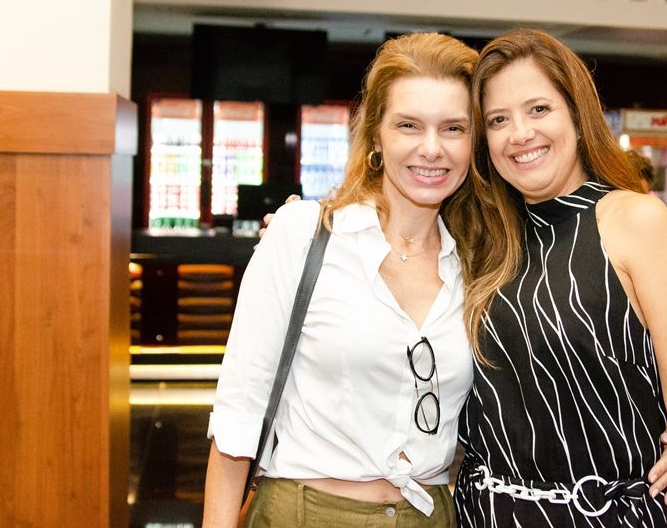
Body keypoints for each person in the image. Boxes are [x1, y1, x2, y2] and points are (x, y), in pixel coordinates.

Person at [453, 28, 667, 527]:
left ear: (578, 116)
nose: (519, 133)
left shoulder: (636, 222)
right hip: (487, 514)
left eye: (538, 109)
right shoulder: (483, 236)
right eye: (499, 119)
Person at [202, 32, 483, 527]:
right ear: (376, 135)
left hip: (432, 515)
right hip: (306, 513)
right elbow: (238, 418)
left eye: (454, 128)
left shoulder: (481, 264)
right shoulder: (304, 234)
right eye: (409, 125)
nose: (432, 148)